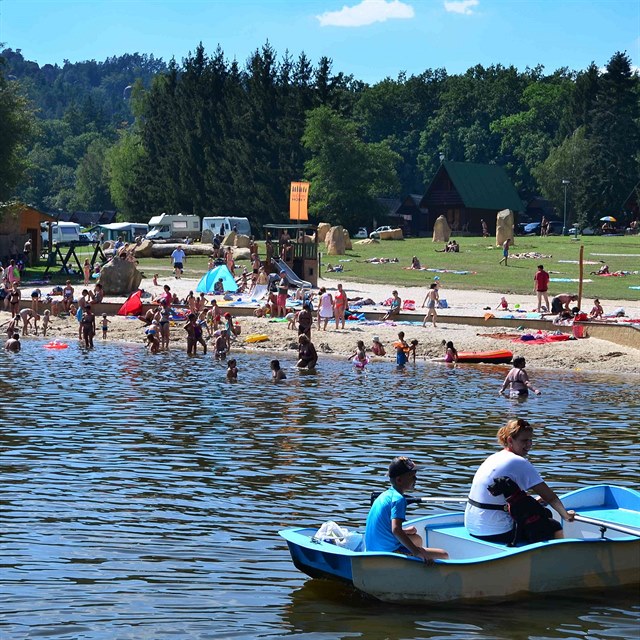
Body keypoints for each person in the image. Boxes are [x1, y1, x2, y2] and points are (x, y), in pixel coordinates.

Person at [464, 418, 575, 544]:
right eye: (524, 440)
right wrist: (565, 515)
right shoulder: (519, 462)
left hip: (472, 526)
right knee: (553, 525)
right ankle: (558, 556)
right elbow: (550, 497)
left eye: (530, 440)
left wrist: (534, 500)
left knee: (544, 513)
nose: (529, 445)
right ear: (510, 440)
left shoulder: (494, 457)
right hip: (495, 531)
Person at [365, 457, 449, 563]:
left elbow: (389, 528)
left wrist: (406, 531)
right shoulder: (399, 499)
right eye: (412, 476)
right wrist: (416, 552)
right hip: (387, 554)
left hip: (372, 550)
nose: (416, 479)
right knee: (443, 554)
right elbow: (396, 530)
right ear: (399, 480)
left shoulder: (385, 495)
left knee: (417, 539)